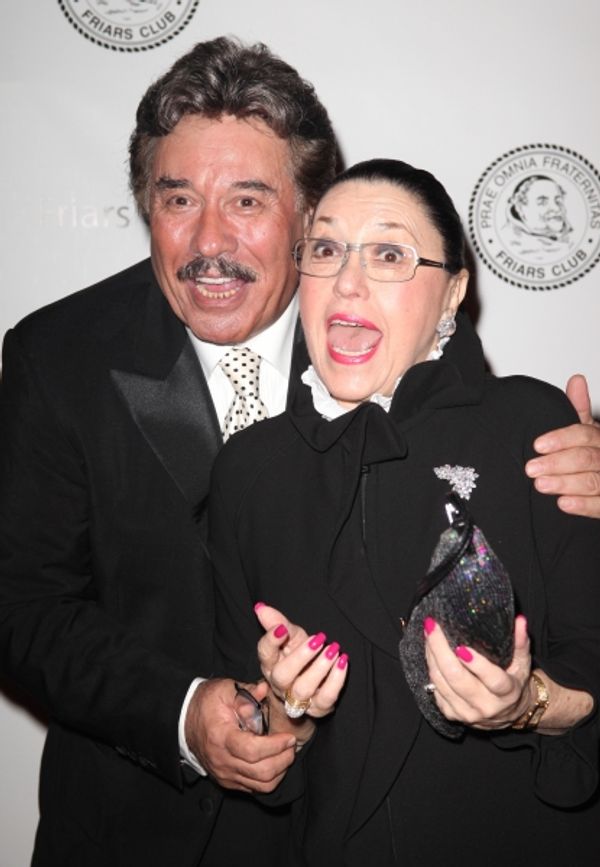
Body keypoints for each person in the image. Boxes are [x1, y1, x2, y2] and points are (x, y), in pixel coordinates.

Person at [0, 35, 598, 867]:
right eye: (177, 200)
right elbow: (24, 607)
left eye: (248, 201)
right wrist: (183, 712)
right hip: (132, 829)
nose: (209, 240)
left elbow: (495, 490)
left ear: (308, 214)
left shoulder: (391, 351)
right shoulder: (54, 355)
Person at [209, 159, 600, 866]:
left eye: (389, 253)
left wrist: (528, 702)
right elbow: (253, 735)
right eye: (325, 249)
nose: (347, 281)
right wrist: (287, 715)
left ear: (453, 290)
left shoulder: (533, 427)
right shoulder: (247, 471)